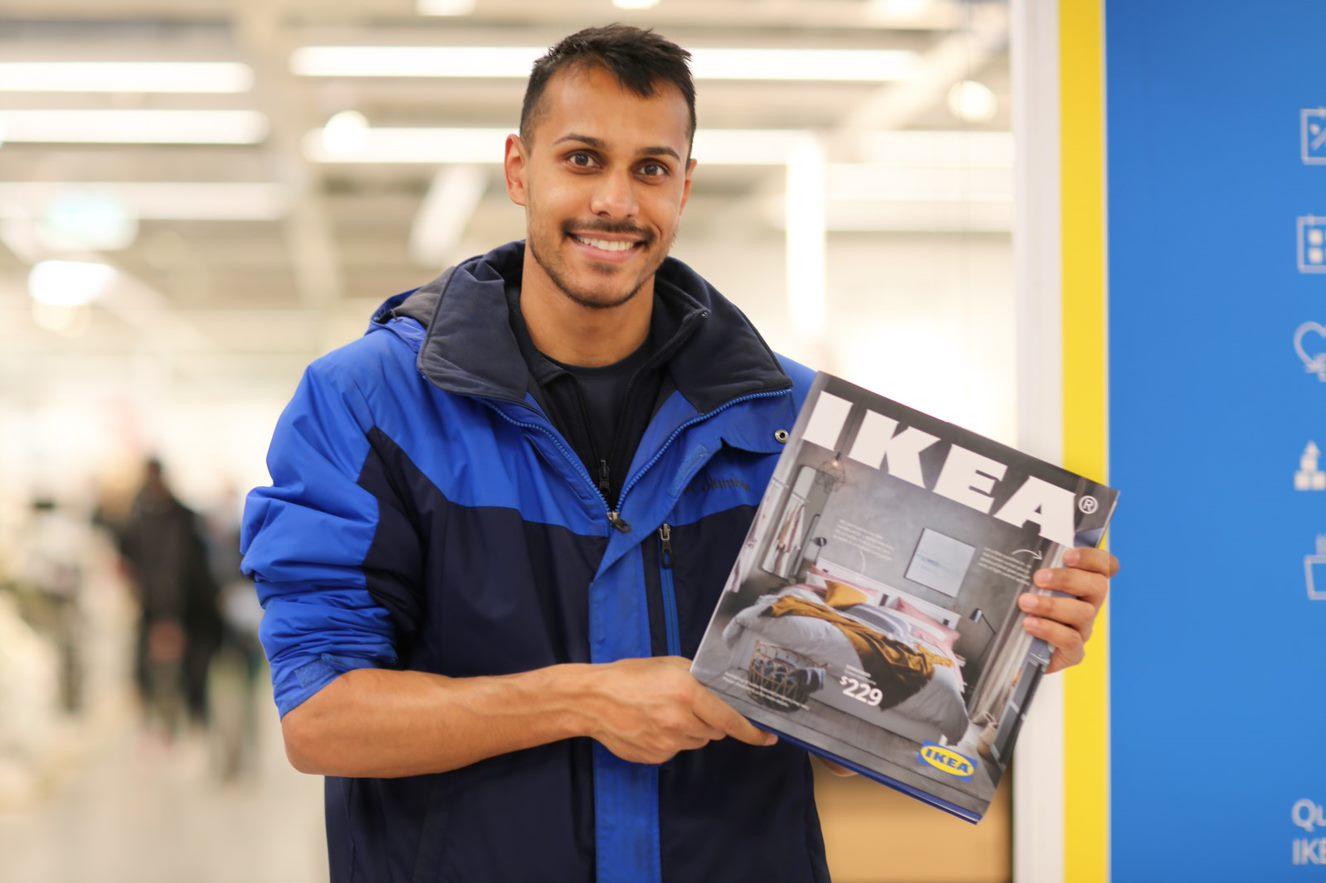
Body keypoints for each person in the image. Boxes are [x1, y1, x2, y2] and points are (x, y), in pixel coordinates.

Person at [241, 25, 1119, 882]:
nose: (616, 202)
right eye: (582, 158)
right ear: (520, 167)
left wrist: (1012, 646)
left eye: (650, 169)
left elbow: (849, 726)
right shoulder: (370, 406)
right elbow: (323, 717)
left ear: (685, 186)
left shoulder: (791, 421)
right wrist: (586, 698)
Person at [120, 457, 221, 734]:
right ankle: (161, 724)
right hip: (155, 609)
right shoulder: (139, 519)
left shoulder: (184, 519)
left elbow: (192, 568)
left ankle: (192, 722)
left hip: (190, 611)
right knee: (150, 672)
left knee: (192, 672)